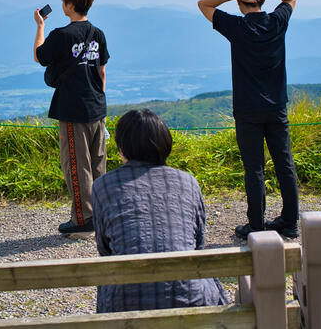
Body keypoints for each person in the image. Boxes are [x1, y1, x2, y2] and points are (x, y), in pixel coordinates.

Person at [91, 109, 229, 312]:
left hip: (124, 307)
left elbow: (105, 249)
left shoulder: (103, 186)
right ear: (165, 144)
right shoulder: (188, 183)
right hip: (192, 302)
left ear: (122, 148)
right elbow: (198, 242)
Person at [197, 0, 300, 240]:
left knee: (254, 167)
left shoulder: (236, 26)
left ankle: (256, 225)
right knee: (284, 163)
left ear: (241, 1)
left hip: (247, 107)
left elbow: (203, 4)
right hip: (277, 104)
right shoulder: (278, 22)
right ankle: (290, 223)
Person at [34, 0, 109, 235]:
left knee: (76, 166)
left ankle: (81, 219)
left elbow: (39, 56)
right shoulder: (97, 33)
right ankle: (100, 215)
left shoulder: (61, 36)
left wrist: (40, 26)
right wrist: (99, 100)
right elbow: (101, 72)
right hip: (97, 108)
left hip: (72, 109)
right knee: (99, 164)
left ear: (68, 4)